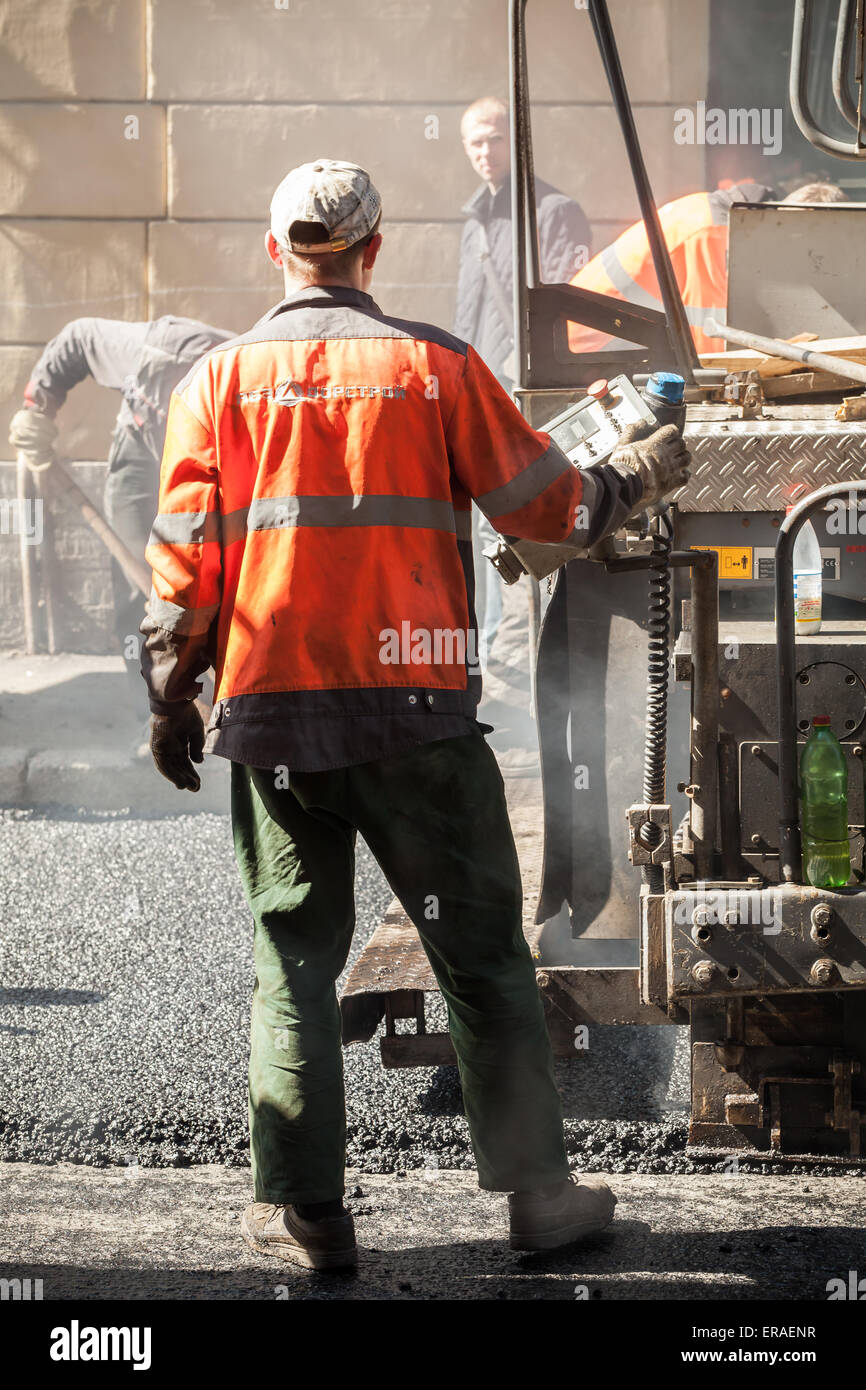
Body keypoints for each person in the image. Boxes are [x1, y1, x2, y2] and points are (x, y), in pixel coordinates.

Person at [139, 158, 690, 1271]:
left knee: (294, 959)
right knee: (480, 954)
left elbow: (184, 569)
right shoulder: (434, 366)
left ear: (274, 250)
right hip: (418, 712)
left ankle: (306, 1213)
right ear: (374, 252)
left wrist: (170, 693)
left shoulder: (219, 381)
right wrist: (625, 479)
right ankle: (537, 1196)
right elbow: (549, 503)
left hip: (274, 718)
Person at [8, 315, 232, 726]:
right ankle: (151, 714)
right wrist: (37, 408)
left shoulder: (245, 384)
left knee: (214, 583)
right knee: (140, 594)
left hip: (214, 474)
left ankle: (221, 702)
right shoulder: (149, 351)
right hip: (138, 461)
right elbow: (76, 338)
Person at [454, 96, 593, 657]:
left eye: (493, 138)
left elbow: (567, 315)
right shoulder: (474, 222)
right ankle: (488, 653)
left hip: (523, 392)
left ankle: (522, 660)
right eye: (474, 142)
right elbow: (466, 314)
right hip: (476, 388)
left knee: (518, 525)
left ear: (516, 140)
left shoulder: (554, 211)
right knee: (479, 523)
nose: (484, 151)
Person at [567, 180, 846, 357]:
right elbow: (719, 344)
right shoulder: (716, 235)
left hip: (607, 342)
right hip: (588, 352)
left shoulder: (726, 216)